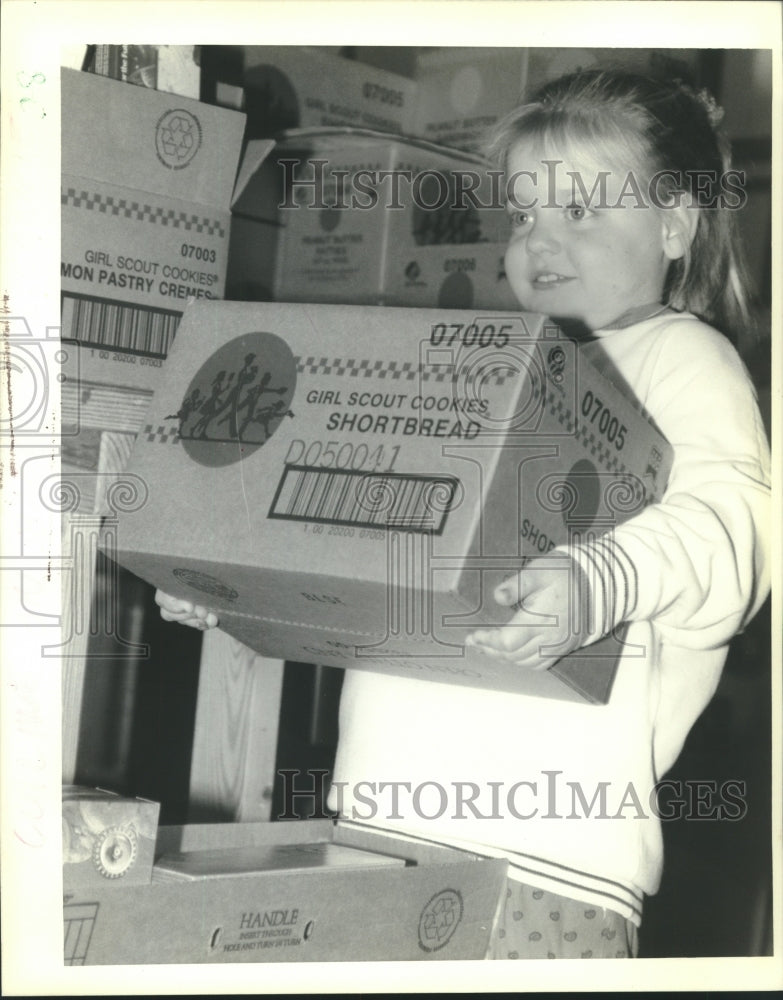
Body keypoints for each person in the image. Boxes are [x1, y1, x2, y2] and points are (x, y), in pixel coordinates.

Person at [155, 69, 771, 959]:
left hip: (546, 856)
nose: (539, 241)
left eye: (581, 210)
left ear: (674, 224)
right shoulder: (492, 368)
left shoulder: (684, 359)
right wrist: (247, 584)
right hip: (373, 825)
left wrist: (602, 578)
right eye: (524, 214)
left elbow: (732, 541)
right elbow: (372, 560)